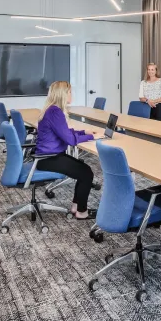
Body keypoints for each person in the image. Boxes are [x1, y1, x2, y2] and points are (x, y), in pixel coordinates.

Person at [36, 81, 102, 219]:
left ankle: (75, 206)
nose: (72, 94)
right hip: (49, 158)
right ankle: (81, 212)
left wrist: (84, 132)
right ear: (63, 94)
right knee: (86, 173)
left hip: (48, 157)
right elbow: (70, 140)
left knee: (84, 170)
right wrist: (92, 136)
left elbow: (65, 132)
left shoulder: (52, 110)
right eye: (70, 92)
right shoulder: (55, 112)